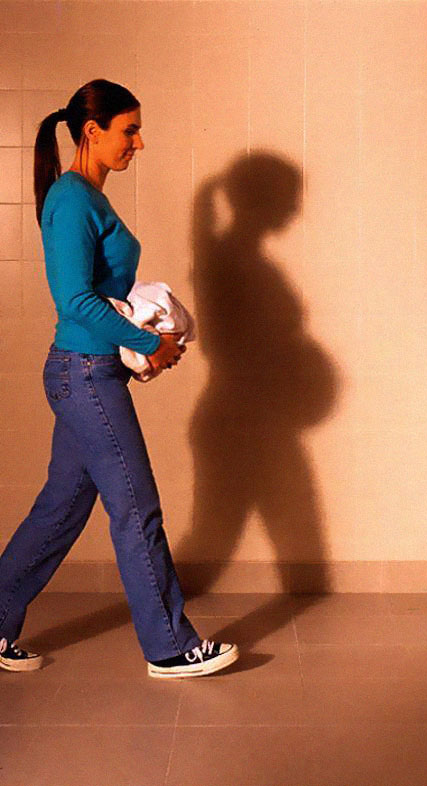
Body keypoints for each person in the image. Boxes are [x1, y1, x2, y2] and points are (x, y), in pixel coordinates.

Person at [0, 79, 239, 679]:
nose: (138, 142)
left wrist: (147, 335)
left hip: (91, 372)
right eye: (129, 130)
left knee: (59, 511)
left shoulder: (86, 197)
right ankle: (170, 647)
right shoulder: (71, 199)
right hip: (84, 375)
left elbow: (102, 293)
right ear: (92, 131)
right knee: (136, 508)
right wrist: (151, 343)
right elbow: (74, 300)